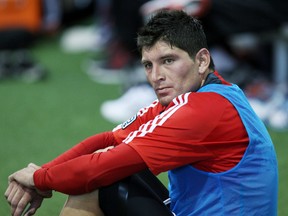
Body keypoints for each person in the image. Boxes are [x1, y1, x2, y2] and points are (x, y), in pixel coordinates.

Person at [5, 10, 278, 216]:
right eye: (148, 65)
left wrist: (39, 179)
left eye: (168, 61)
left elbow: (101, 168)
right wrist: (43, 172)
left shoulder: (202, 110)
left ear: (202, 60)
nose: (156, 76)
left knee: (97, 179)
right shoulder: (211, 93)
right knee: (101, 170)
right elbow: (108, 141)